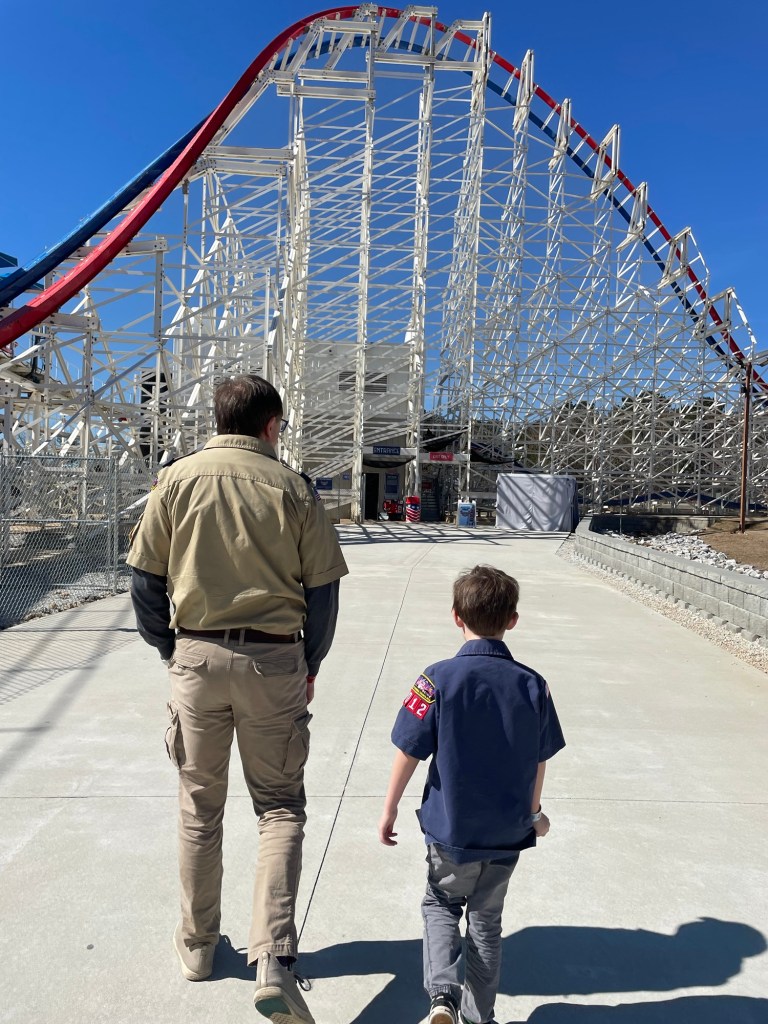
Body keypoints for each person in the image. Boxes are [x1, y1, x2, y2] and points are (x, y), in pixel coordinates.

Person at [127, 374, 348, 1024]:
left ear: (218, 421)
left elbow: (144, 578)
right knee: (279, 808)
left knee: (200, 809)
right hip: (273, 657)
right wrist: (307, 663)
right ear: (271, 425)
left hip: (196, 653)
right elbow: (324, 593)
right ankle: (273, 960)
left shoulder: (175, 481)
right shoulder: (294, 489)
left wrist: (174, 651)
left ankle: (197, 947)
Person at [378, 565, 565, 1024]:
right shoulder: (534, 684)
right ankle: (479, 1016)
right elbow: (540, 758)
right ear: (513, 620)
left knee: (440, 904)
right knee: (486, 923)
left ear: (455, 615)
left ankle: (442, 997)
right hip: (506, 835)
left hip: (450, 831)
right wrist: (534, 814)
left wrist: (389, 809)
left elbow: (409, 749)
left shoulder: (434, 679)